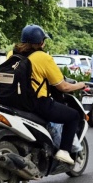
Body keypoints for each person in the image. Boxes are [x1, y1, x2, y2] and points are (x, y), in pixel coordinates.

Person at [16, 25, 86, 165]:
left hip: (13, 103)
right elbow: (63, 86)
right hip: (36, 104)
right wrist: (81, 85)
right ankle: (64, 151)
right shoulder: (43, 57)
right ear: (41, 42)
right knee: (73, 116)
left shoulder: (12, 54)